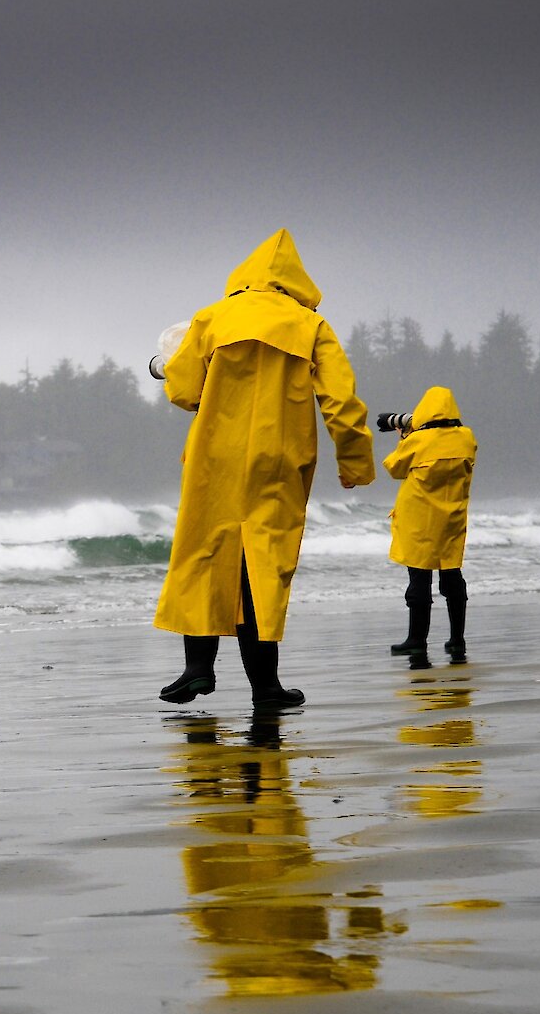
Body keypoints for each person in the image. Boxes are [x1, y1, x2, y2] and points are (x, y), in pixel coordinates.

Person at [152, 228, 375, 709]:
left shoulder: (212, 317)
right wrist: (354, 462)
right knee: (264, 565)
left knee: (203, 551)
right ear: (296, 280)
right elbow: (341, 401)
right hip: (280, 459)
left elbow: (184, 392)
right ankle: (266, 686)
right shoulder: (311, 325)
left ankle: (197, 667)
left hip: (215, 457)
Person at [381, 385, 477, 660]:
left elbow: (394, 468)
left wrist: (405, 436)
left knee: (419, 579)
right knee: (452, 577)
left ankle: (416, 639)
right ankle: (457, 639)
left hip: (419, 517)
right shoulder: (467, 437)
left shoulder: (418, 441)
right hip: (452, 517)